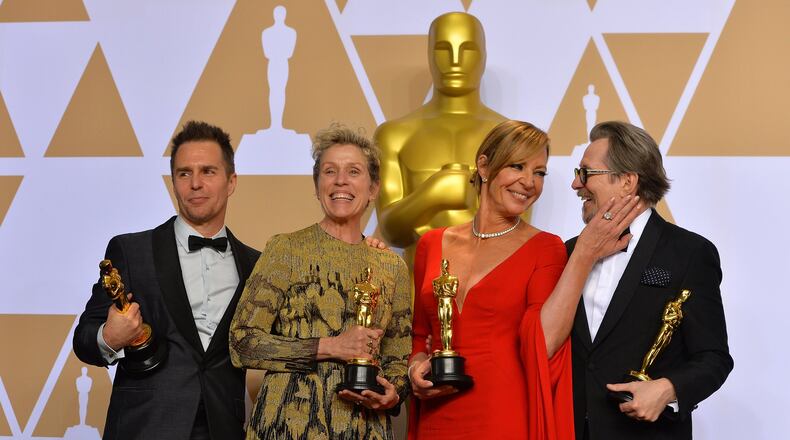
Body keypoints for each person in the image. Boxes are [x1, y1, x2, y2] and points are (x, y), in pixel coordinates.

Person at [407, 120, 641, 439]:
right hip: (436, 419)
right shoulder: (431, 244)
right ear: (484, 165)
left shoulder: (545, 248)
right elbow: (420, 335)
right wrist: (415, 367)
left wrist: (583, 254)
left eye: (540, 172)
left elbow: (546, 342)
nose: (529, 182)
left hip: (505, 418)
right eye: (517, 166)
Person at [73, 121, 261, 440]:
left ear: (231, 181)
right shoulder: (131, 251)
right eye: (184, 173)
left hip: (224, 429)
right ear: (173, 182)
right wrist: (110, 336)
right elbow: (84, 339)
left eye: (208, 172)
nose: (195, 184)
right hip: (146, 427)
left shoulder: (257, 264)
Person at [229, 124, 412, 439]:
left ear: (373, 189)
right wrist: (330, 346)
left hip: (364, 427)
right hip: (286, 424)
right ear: (317, 186)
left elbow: (399, 357)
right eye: (330, 171)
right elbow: (242, 342)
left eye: (353, 171)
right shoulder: (285, 249)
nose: (341, 180)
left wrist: (393, 393)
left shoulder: (391, 266)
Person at [567, 121, 733, 440]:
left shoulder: (689, 253)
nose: (576, 184)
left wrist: (668, 389)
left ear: (628, 181)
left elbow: (714, 358)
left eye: (586, 173)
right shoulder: (568, 253)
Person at [375, 11, 506, 266]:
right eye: (443, 49)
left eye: (467, 49)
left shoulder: (510, 136)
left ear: (483, 57)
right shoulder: (394, 135)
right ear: (429, 55)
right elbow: (392, 231)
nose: (455, 61)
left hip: (491, 287)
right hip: (418, 291)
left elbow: (518, 231)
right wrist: (434, 194)